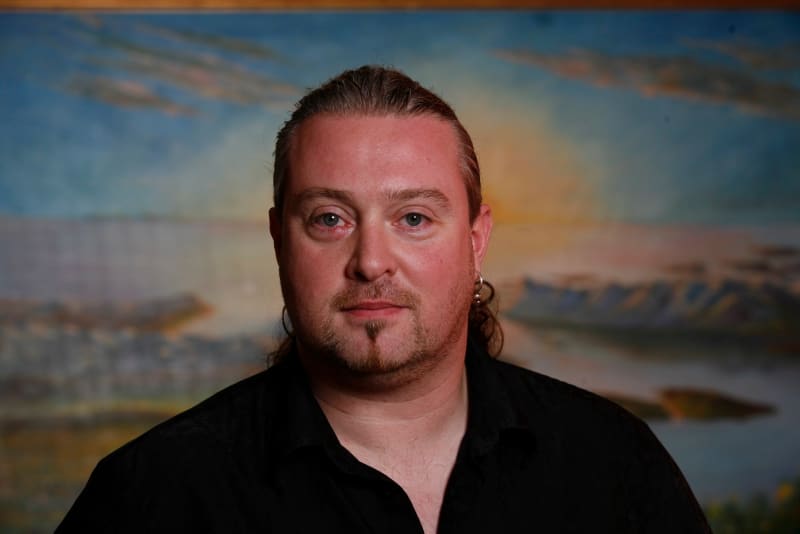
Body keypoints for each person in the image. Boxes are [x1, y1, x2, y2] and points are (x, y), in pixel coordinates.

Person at [57, 65, 710, 533]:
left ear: (476, 240)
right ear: (280, 241)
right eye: (329, 219)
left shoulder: (611, 462)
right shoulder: (152, 492)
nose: (370, 261)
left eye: (414, 218)